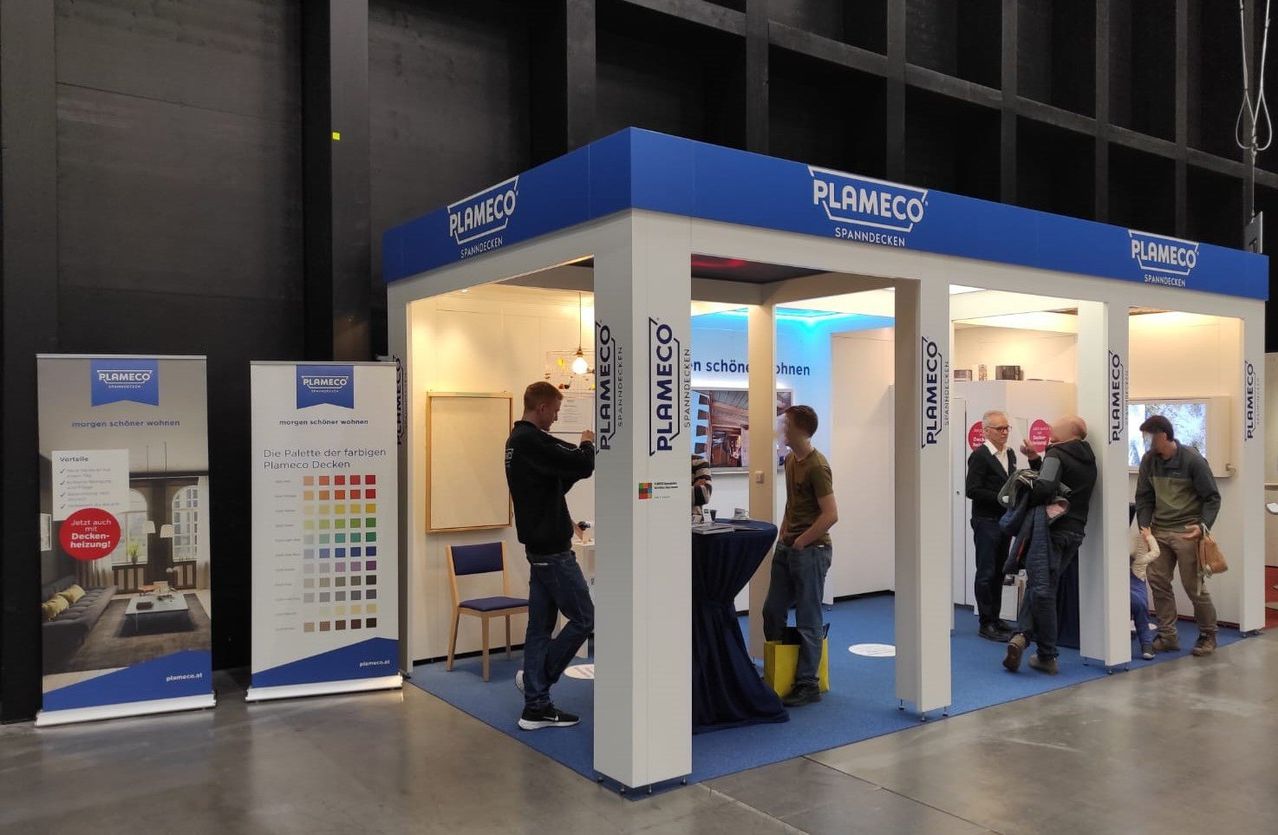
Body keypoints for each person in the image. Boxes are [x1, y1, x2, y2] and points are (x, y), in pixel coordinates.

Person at [505, 381, 596, 730]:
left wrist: (575, 460)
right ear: (542, 407)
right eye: (556, 411)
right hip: (553, 553)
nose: (557, 418)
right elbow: (582, 463)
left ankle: (535, 708)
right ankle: (536, 681)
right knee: (585, 618)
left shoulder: (519, 444)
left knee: (540, 628)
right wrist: (587, 443)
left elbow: (558, 478)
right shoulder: (530, 440)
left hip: (539, 550)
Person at [1004, 415, 1096, 675]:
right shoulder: (1088, 458)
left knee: (1041, 588)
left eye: (1056, 426)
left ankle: (1042, 651)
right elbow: (1058, 479)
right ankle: (1027, 642)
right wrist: (1035, 459)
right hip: (1075, 531)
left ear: (1068, 432)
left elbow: (1045, 488)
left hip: (1051, 531)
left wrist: (1023, 488)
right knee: (1045, 586)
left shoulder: (1057, 453)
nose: (1050, 428)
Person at [763, 405, 839, 707]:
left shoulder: (817, 466)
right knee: (772, 610)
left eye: (787, 423)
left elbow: (831, 514)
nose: (782, 427)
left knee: (809, 617)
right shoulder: (792, 460)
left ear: (800, 429)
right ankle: (780, 671)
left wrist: (802, 541)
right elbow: (793, 503)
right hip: (789, 546)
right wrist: (785, 532)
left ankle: (808, 682)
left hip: (812, 550)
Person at [1134, 414, 1222, 657]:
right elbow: (1144, 497)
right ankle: (1168, 635)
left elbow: (1212, 498)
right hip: (1159, 531)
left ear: (1163, 435)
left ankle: (1208, 635)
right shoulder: (1148, 461)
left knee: (1194, 587)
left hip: (1187, 532)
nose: (1145, 441)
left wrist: (1203, 526)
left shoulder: (1193, 460)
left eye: (1148, 436)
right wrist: (1144, 527)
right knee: (1158, 583)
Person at [965, 410, 1018, 642]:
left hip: (1005, 521)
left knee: (1000, 571)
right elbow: (972, 490)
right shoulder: (980, 456)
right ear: (986, 431)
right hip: (986, 521)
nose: (1004, 432)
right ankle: (986, 622)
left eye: (1007, 428)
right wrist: (1002, 497)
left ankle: (996, 617)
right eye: (1000, 428)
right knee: (986, 572)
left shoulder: (1011, 454)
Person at [1131, 524, 1159, 660]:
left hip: (1121, 592)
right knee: (1142, 618)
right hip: (1138, 594)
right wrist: (1149, 537)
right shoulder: (1140, 561)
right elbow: (1156, 552)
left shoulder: (1116, 565)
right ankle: (1147, 646)